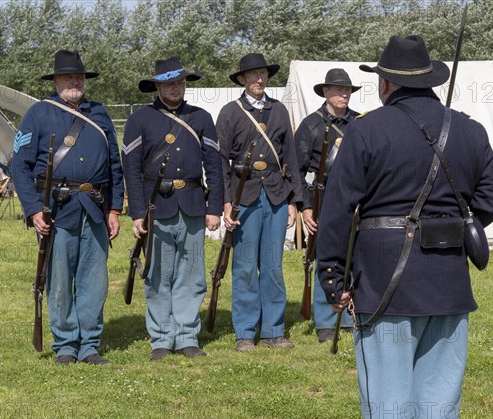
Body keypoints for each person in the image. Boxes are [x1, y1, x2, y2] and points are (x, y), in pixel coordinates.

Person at [317, 35, 493, 419]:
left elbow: (338, 210)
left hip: (384, 279)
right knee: (440, 393)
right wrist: (451, 226)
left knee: (388, 393)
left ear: (385, 83)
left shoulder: (366, 131)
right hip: (447, 278)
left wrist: (333, 276)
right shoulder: (466, 129)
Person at [12, 49, 125, 365]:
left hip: (95, 207)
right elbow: (19, 166)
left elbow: (114, 166)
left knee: (94, 279)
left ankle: (89, 343)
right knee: (59, 281)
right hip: (56, 211)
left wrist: (115, 209)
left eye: (79, 77)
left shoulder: (99, 113)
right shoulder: (38, 114)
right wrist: (34, 209)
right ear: (56, 80)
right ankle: (65, 344)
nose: (74, 82)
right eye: (68, 77)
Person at [122, 56, 224, 361]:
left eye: (179, 82)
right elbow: (131, 169)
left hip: (193, 204)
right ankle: (162, 338)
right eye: (169, 83)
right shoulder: (140, 119)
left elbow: (214, 167)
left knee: (191, 276)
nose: (175, 88)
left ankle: (187, 335)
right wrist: (138, 212)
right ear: (157, 86)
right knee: (157, 274)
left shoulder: (202, 118)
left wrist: (215, 206)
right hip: (156, 207)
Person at [216, 53, 302, 352]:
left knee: (274, 266)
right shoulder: (229, 113)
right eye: (253, 75)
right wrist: (226, 202)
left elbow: (290, 157)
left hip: (276, 195)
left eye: (263, 74)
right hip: (245, 195)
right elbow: (220, 163)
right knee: (244, 266)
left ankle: (273, 331)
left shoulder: (279, 111)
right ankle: (244, 332)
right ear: (242, 79)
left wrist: (293, 200)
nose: (259, 79)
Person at [294, 69, 361, 342]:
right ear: (325, 92)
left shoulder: (359, 123)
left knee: (355, 257)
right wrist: (306, 207)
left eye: (346, 90)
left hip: (354, 200)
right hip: (323, 200)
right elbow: (298, 171)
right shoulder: (311, 125)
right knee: (325, 258)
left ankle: (353, 314)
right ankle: (325, 319)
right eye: (337, 90)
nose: (343, 94)